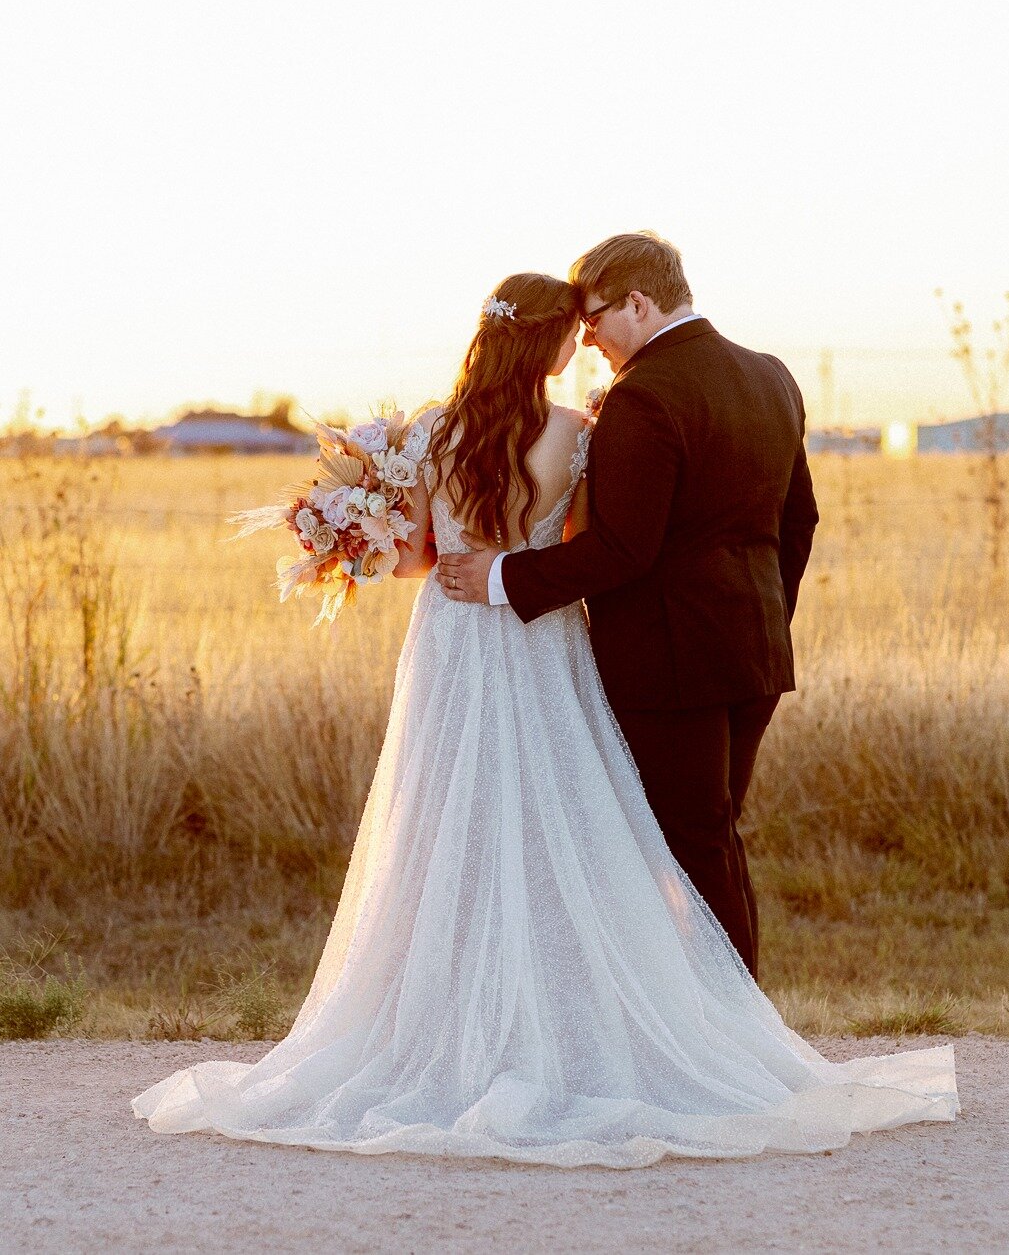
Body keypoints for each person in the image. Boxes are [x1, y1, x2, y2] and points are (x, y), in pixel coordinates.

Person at [132, 270, 957, 1167]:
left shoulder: (429, 432)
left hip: (452, 641)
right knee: (571, 823)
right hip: (542, 640)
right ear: (551, 344)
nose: (584, 343)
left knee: (448, 826)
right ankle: (590, 1021)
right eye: (573, 331)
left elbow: (413, 557)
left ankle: (452, 1017)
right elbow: (600, 548)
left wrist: (357, 532)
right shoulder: (580, 434)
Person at [437, 232, 819, 980]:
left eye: (596, 319)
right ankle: (733, 1030)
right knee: (712, 838)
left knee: (692, 846)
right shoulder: (770, 375)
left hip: (670, 665)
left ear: (639, 304)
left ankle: (730, 1042)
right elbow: (797, 521)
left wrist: (501, 578)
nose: (587, 339)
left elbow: (621, 550)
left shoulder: (643, 397)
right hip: (756, 655)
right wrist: (766, 617)